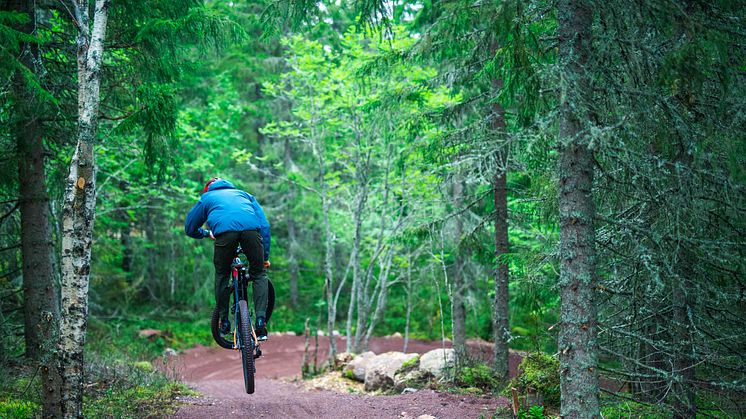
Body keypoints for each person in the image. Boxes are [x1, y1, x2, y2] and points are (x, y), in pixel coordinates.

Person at [184, 177, 271, 341]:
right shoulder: (245, 195)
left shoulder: (207, 198)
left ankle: (224, 321)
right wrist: (264, 257)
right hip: (251, 232)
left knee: (222, 274)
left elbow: (190, 228)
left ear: (208, 189)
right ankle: (261, 321)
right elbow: (265, 226)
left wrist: (205, 233)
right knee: (259, 273)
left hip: (224, 234)